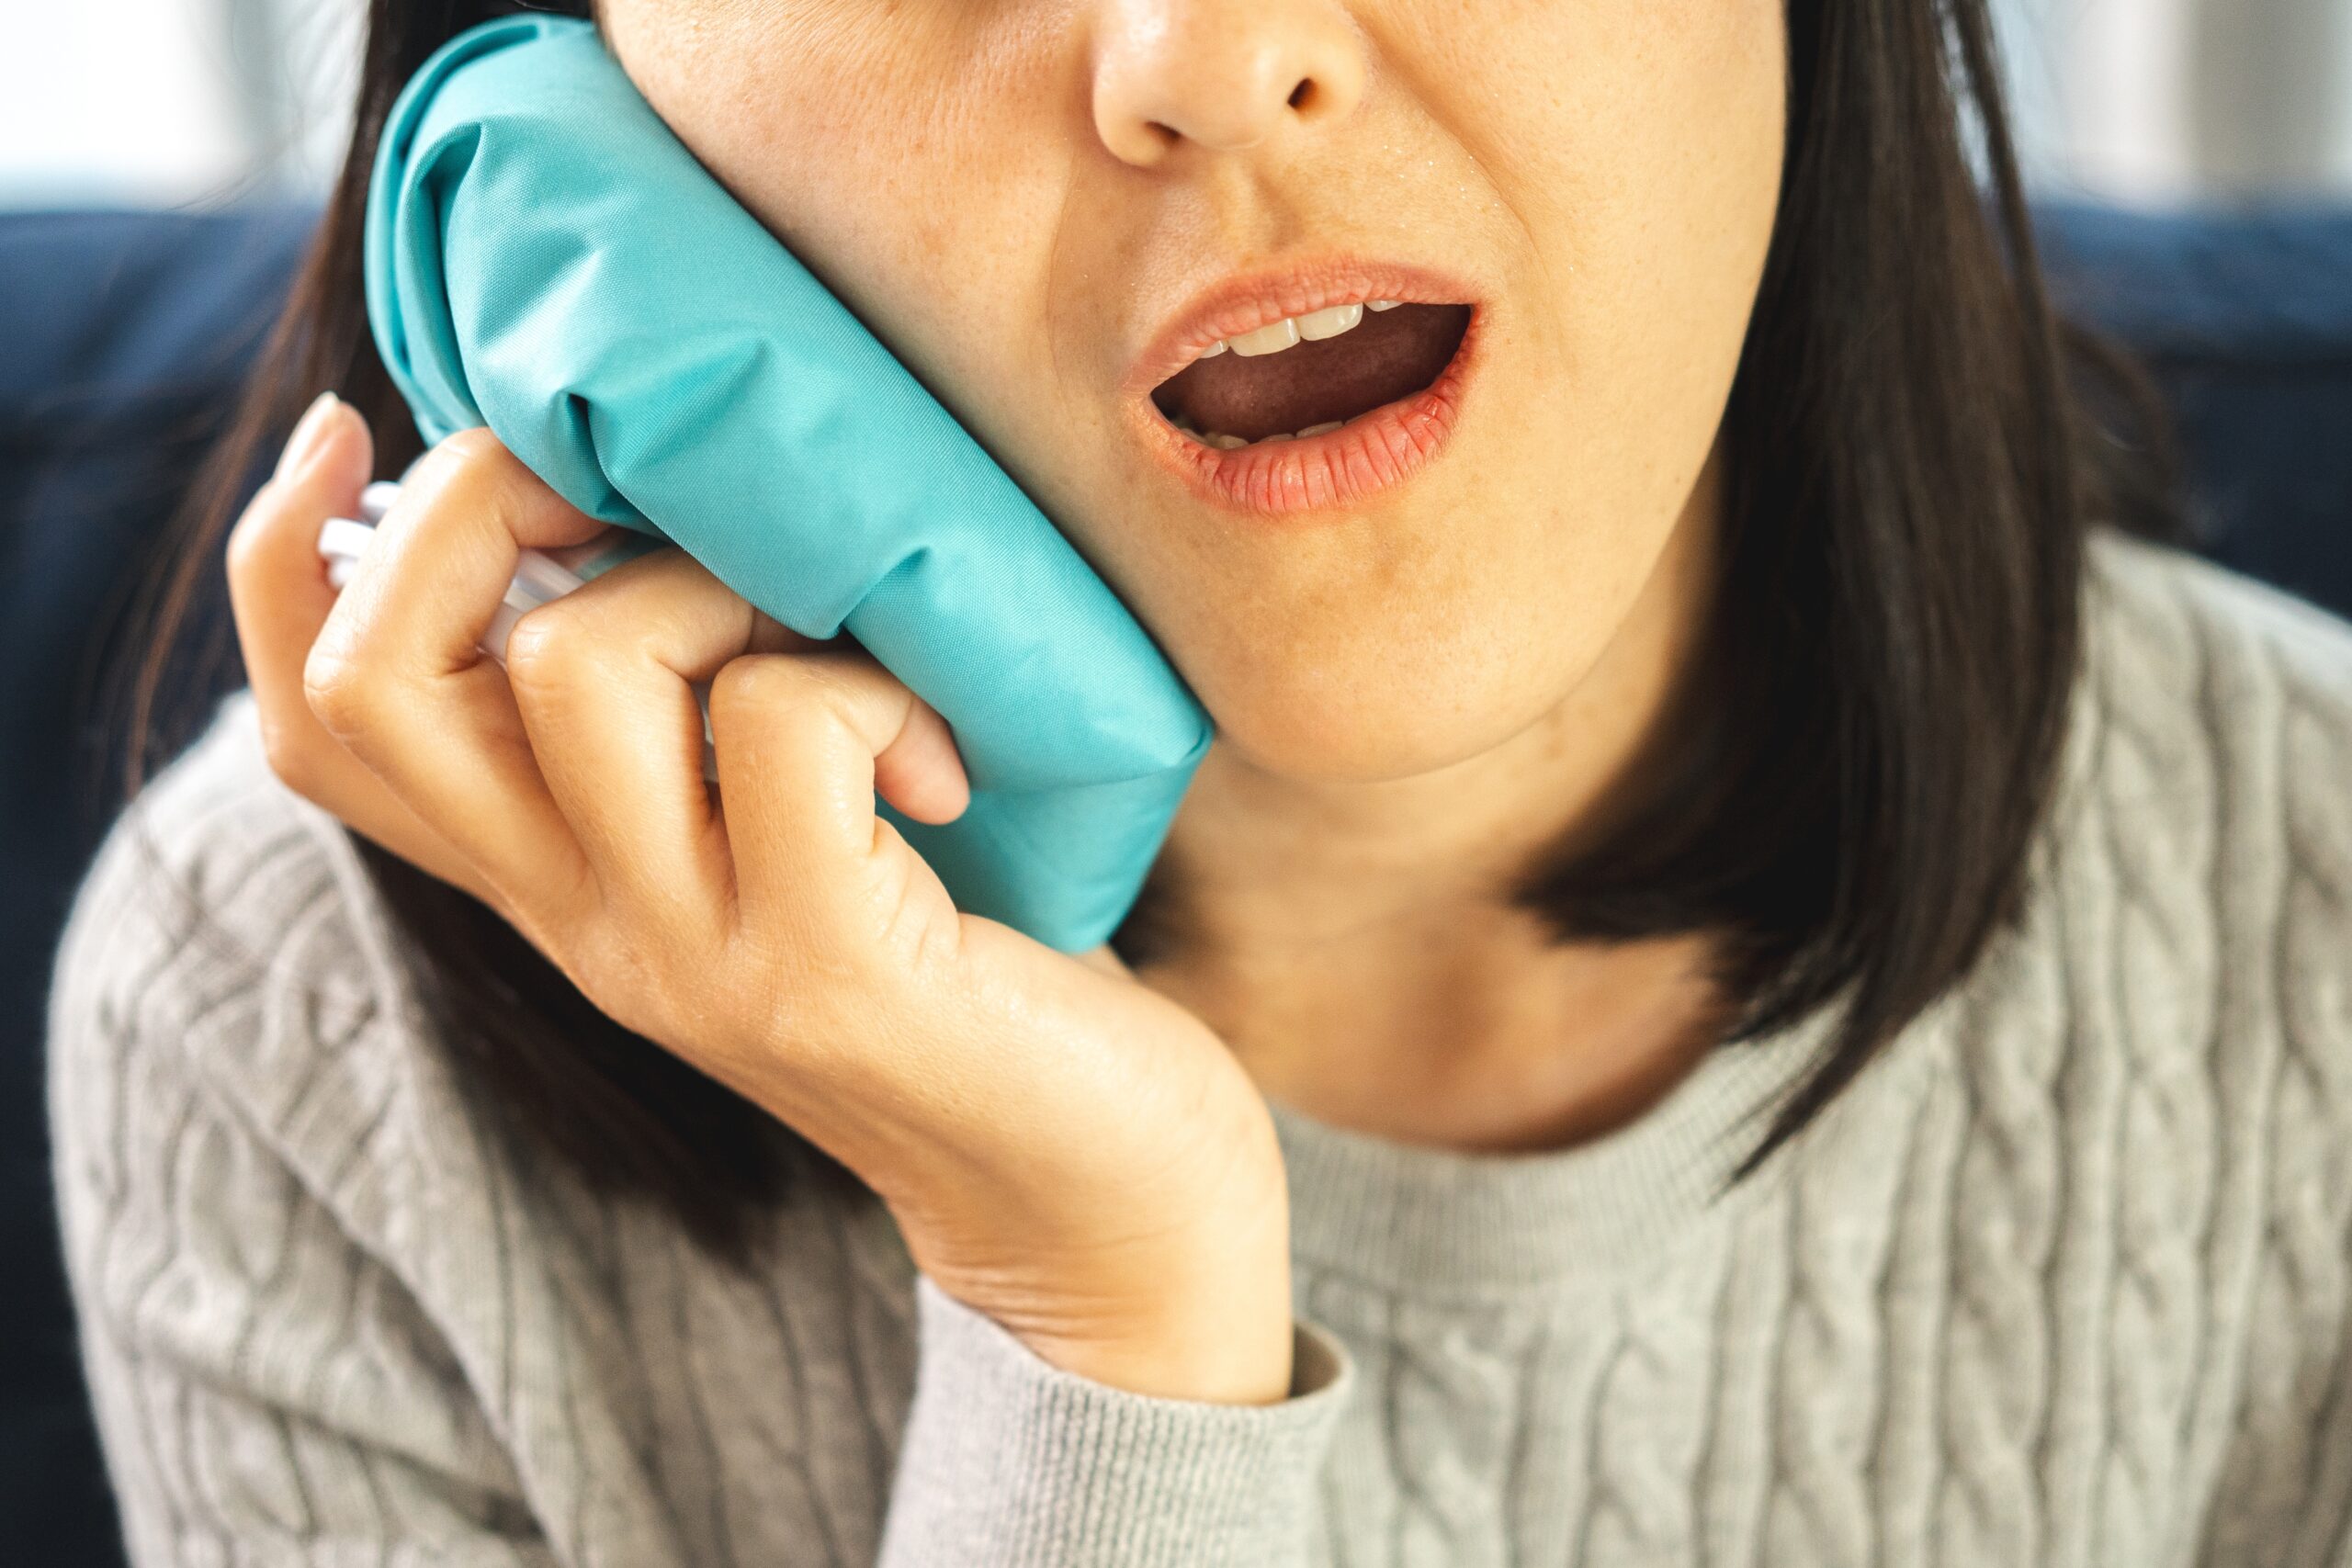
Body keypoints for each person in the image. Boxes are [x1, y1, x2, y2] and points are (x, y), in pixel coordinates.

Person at [46, 0, 2352, 1562]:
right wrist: (1091, 1329)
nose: (1209, 60)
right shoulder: (286, 1026)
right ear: (547, 109)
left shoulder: (2309, 914)